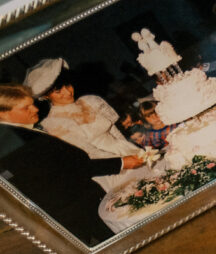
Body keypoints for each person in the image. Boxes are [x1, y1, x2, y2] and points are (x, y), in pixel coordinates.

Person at [0, 84, 143, 247]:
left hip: (74, 204)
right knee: (121, 245)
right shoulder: (16, 142)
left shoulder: (18, 134)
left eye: (32, 103)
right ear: (4, 113)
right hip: (75, 208)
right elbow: (73, 168)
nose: (34, 109)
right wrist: (121, 162)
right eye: (25, 107)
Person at [24, 58, 144, 190]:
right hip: (108, 168)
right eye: (58, 91)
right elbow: (85, 156)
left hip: (126, 151)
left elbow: (115, 133)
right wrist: (121, 162)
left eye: (68, 85)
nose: (68, 92)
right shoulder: (52, 124)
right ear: (46, 96)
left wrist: (130, 150)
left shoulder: (91, 100)